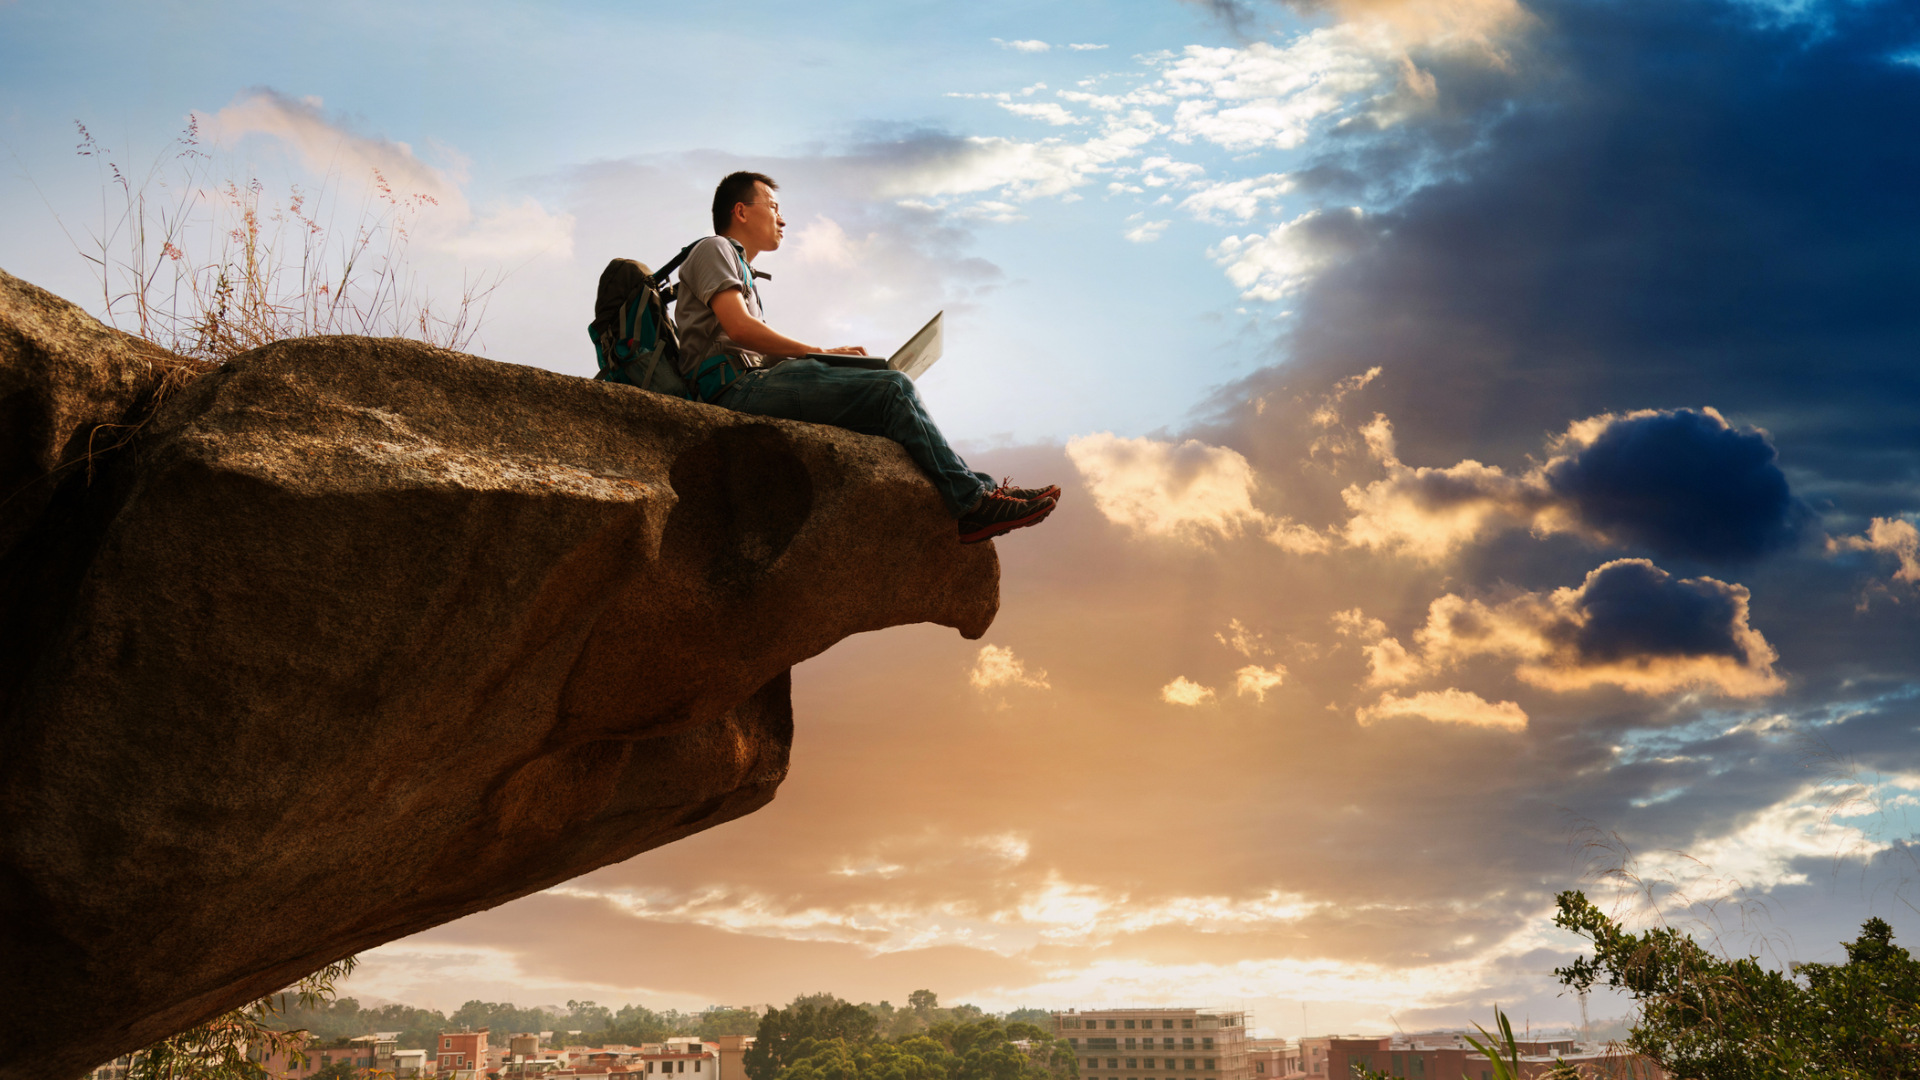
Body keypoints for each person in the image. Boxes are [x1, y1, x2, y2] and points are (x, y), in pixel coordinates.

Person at [673, 171, 1059, 544]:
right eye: (773, 206)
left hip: (749, 383)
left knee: (886, 403)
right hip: (734, 391)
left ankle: (983, 489)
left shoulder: (742, 267)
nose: (782, 218)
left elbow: (747, 346)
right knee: (892, 388)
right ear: (740, 211)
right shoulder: (715, 248)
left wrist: (832, 360)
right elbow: (740, 330)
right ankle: (974, 505)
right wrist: (818, 353)